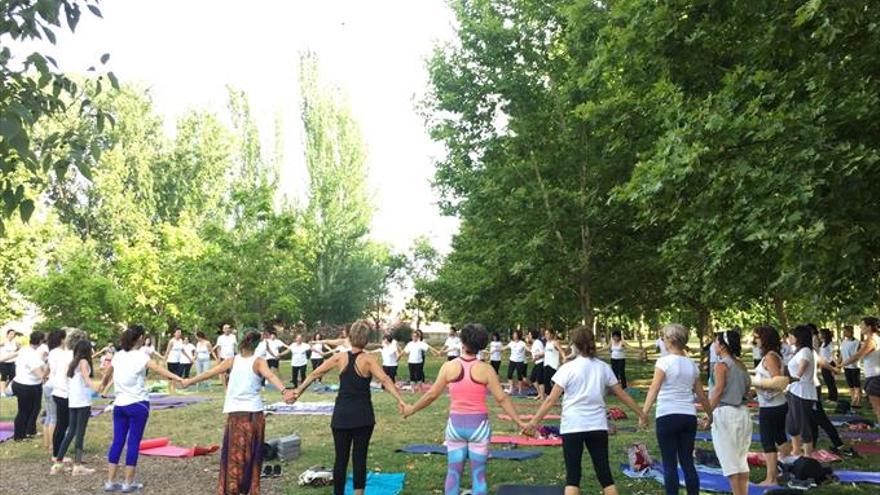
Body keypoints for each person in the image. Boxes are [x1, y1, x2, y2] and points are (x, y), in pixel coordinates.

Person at [403, 323, 527, 495]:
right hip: (479, 428)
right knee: (479, 476)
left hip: (455, 427)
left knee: (453, 473)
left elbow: (431, 395)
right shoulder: (487, 369)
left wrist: (411, 409)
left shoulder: (449, 367)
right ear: (481, 345)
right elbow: (502, 398)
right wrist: (520, 423)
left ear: (462, 341)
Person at [524, 326, 647, 495]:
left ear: (574, 345)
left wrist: (533, 422)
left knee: (573, 478)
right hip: (597, 427)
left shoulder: (567, 368)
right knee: (605, 477)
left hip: (573, 427)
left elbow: (550, 400)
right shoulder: (603, 367)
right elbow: (622, 395)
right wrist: (641, 413)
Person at [292, 320, 407, 495]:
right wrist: (400, 400)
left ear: (350, 337)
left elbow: (317, 372)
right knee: (359, 458)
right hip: (363, 416)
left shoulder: (340, 357)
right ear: (366, 340)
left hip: (342, 416)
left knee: (341, 459)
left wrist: (298, 390)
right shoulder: (369, 360)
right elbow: (384, 379)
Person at [179, 331, 295, 495]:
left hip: (239, 414)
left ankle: (233, 488)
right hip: (252, 414)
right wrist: (285, 391)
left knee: (235, 454)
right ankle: (248, 488)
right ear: (257, 345)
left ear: (241, 343)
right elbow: (270, 375)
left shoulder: (234, 360)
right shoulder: (257, 361)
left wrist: (188, 381)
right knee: (251, 453)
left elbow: (208, 373)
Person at [101, 325, 182, 493]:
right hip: (138, 404)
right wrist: (178, 378)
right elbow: (159, 369)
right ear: (139, 339)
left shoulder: (118, 356)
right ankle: (128, 484)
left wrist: (102, 385)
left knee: (117, 441)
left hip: (119, 405)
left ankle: (110, 482)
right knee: (133, 443)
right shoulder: (140, 356)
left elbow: (108, 374)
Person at [642, 324, 712, 495]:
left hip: (667, 415)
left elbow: (654, 388)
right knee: (688, 462)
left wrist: (643, 413)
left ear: (670, 340)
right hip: (688, 416)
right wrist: (710, 415)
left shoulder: (664, 362)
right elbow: (701, 395)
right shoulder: (692, 365)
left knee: (669, 463)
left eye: (664, 337)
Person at [709, 330, 752, 495]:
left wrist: (708, 414)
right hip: (743, 413)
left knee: (730, 463)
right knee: (741, 461)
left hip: (726, 414)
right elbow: (748, 391)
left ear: (721, 345)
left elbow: (718, 391)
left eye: (715, 341)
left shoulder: (721, 366)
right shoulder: (741, 364)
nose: (713, 345)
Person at [52, 340, 104, 476]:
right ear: (86, 350)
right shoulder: (83, 362)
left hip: (73, 401)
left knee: (71, 433)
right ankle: (78, 465)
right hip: (82, 402)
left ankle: (58, 463)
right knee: (80, 433)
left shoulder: (72, 363)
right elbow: (87, 380)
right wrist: (97, 388)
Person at [750, 326, 790, 486]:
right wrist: (754, 391)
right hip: (773, 404)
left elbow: (778, 382)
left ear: (765, 339)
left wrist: (755, 382)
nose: (755, 340)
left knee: (768, 442)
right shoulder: (770, 355)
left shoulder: (771, 357)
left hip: (772, 406)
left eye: (757, 337)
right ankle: (785, 467)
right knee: (780, 438)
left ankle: (771, 479)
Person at [839, 316, 880, 424]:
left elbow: (857, 356)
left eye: (862, 325)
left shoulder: (871, 340)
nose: (860, 327)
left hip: (875, 378)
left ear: (869, 327)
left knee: (878, 409)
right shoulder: (874, 339)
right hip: (873, 376)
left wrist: (841, 365)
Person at [786, 325, 817, 456]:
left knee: (803, 424)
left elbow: (802, 367)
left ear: (799, 337)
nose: (789, 338)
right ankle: (796, 450)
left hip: (802, 392)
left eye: (791, 335)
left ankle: (808, 456)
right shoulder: (798, 351)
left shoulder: (805, 351)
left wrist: (793, 378)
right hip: (794, 391)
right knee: (792, 424)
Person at [12, 331, 47, 441]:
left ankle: (30, 430)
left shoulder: (25, 349)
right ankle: (19, 436)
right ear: (40, 341)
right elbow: (40, 374)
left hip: (28, 384)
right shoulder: (32, 355)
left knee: (35, 408)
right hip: (26, 386)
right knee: (24, 410)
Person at [48, 328, 75, 465]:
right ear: (62, 339)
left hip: (58, 390)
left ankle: (57, 452)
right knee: (64, 424)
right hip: (64, 391)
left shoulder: (54, 352)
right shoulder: (66, 354)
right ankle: (58, 454)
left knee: (62, 424)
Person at [42, 329, 67, 452]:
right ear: (62, 339)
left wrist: (43, 378)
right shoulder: (60, 353)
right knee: (54, 418)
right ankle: (53, 446)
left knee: (49, 416)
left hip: (47, 385)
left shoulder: (52, 352)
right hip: (54, 387)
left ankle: (47, 444)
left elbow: (47, 369)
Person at [839, 325, 862, 407]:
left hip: (854, 367)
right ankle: (853, 400)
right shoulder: (843, 342)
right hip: (846, 367)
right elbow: (841, 354)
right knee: (850, 385)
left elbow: (859, 354)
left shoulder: (857, 342)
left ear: (850, 332)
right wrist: (839, 364)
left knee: (856, 385)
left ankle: (858, 401)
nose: (844, 333)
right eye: (843, 331)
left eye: (845, 331)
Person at [214, 323, 238, 388]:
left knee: (231, 372)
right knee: (223, 373)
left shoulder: (233, 336)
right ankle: (225, 387)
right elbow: (218, 348)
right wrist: (218, 358)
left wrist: (237, 355)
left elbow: (235, 346)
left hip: (231, 357)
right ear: (223, 330)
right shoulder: (220, 338)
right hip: (223, 357)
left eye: (228, 328)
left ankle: (230, 385)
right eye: (226, 328)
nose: (227, 329)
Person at [818, 328, 839, 402]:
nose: (819, 335)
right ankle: (830, 397)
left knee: (831, 382)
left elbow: (833, 355)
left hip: (830, 364)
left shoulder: (830, 344)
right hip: (824, 364)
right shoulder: (823, 343)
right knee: (827, 381)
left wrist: (836, 366)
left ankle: (834, 398)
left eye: (820, 333)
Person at [164, 327, 185, 394]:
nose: (179, 334)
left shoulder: (181, 341)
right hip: (171, 360)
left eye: (180, 333)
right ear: (174, 333)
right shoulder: (172, 341)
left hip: (178, 360)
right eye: (178, 332)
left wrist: (190, 358)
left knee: (176, 375)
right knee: (171, 375)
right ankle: (170, 388)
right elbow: (167, 351)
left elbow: (182, 350)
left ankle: (173, 388)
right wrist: (164, 360)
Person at [0, 328, 21, 397]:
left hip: (12, 362)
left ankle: (11, 391)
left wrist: (18, 347)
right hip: (3, 362)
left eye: (13, 334)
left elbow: (17, 351)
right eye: (11, 334)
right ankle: (2, 392)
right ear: (7, 334)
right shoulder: (3, 341)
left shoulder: (15, 342)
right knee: (4, 377)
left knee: (13, 377)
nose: (12, 335)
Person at [543, 329, 563, 396]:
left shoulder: (555, 342)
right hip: (546, 365)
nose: (546, 335)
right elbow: (546, 353)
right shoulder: (547, 343)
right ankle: (549, 397)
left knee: (555, 383)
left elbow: (561, 351)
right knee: (546, 383)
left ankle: (560, 394)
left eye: (547, 334)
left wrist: (564, 358)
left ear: (551, 334)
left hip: (553, 365)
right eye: (545, 334)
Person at [526, 330, 545, 400]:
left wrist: (536, 357)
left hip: (541, 362)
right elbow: (532, 351)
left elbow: (543, 352)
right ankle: (539, 393)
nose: (529, 336)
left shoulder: (538, 343)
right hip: (537, 363)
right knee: (532, 378)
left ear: (533, 335)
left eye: (530, 334)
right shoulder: (534, 343)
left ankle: (542, 396)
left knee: (540, 380)